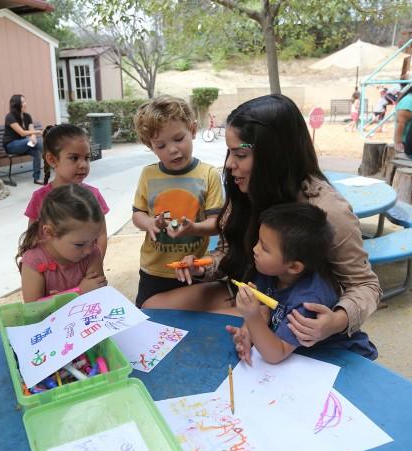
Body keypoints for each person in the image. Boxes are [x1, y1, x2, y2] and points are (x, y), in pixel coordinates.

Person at [145, 94, 381, 348]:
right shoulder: (245, 189)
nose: (229, 164)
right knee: (153, 310)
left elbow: (365, 285)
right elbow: (229, 252)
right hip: (246, 292)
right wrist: (203, 267)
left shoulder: (328, 211)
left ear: (275, 155)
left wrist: (336, 320)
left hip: (286, 311)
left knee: (212, 343)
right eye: (229, 153)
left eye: (240, 155)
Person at [232, 203, 377, 364]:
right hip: (304, 357)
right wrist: (247, 332)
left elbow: (275, 354)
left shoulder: (309, 299)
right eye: (258, 241)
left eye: (264, 248)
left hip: (342, 360)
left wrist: (251, 317)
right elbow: (265, 311)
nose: (255, 249)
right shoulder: (270, 272)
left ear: (294, 266)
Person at [131, 95, 224, 307]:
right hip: (153, 270)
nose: (172, 149)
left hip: (191, 267)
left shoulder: (208, 175)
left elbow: (215, 224)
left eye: (179, 139)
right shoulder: (148, 175)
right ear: (150, 145)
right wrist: (149, 223)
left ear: (192, 129)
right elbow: (138, 214)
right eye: (161, 145)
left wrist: (193, 228)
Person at [24, 124, 109, 257]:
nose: (83, 165)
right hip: (52, 271)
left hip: (86, 267)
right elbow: (32, 237)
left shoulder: (93, 195)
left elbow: (101, 234)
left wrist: (96, 266)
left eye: (87, 157)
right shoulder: (40, 197)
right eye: (74, 158)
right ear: (52, 160)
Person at [16, 184, 107, 302]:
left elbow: (99, 295)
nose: (89, 249)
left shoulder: (92, 254)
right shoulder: (34, 261)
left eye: (93, 240)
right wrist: (78, 292)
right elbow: (33, 309)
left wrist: (57, 300)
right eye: (79, 244)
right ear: (49, 232)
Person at [3, 94, 45, 184]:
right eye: (23, 102)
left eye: (25, 101)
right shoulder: (10, 117)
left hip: (24, 143)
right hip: (12, 145)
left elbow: (31, 130)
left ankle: (36, 178)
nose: (25, 104)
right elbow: (21, 133)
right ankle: (54, 155)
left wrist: (33, 137)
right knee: (40, 142)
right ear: (17, 104)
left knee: (37, 150)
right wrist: (38, 132)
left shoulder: (27, 116)